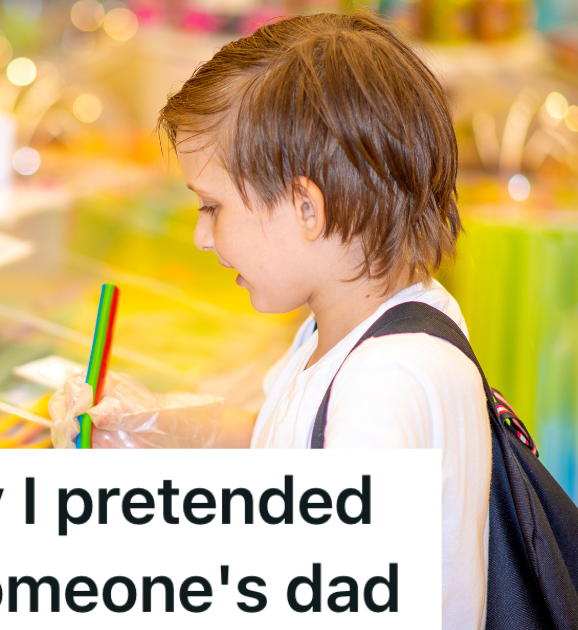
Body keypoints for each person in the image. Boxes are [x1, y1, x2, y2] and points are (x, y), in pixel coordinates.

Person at [48, 12, 491, 629]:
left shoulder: (380, 384)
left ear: (307, 207)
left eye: (212, 206)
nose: (202, 236)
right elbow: (293, 438)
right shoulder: (372, 322)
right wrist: (167, 428)